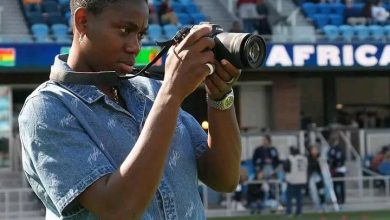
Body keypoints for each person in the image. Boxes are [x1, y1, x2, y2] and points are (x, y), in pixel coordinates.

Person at [18, 0, 242, 219]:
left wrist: (219, 96)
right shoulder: (46, 108)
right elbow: (118, 210)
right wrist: (171, 94)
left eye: (140, 35)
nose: (135, 47)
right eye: (125, 30)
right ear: (83, 21)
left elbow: (225, 179)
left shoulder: (153, 91)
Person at [284, 146, 308, 217]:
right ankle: (299, 212)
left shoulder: (291, 158)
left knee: (289, 197)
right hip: (301, 180)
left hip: (292, 180)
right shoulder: (304, 158)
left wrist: (287, 179)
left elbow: (286, 168)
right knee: (299, 197)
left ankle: (289, 212)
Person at [327, 134, 346, 206]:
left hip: (337, 169)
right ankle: (339, 199)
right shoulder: (338, 149)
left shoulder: (334, 149)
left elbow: (331, 159)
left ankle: (339, 199)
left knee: (338, 185)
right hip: (338, 169)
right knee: (338, 185)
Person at [307, 144, 326, 212]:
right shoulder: (309, 158)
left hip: (319, 176)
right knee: (314, 192)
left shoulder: (319, 157)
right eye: (313, 150)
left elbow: (323, 167)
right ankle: (317, 206)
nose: (315, 151)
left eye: (316, 150)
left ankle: (323, 204)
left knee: (321, 191)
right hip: (312, 176)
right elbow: (310, 167)